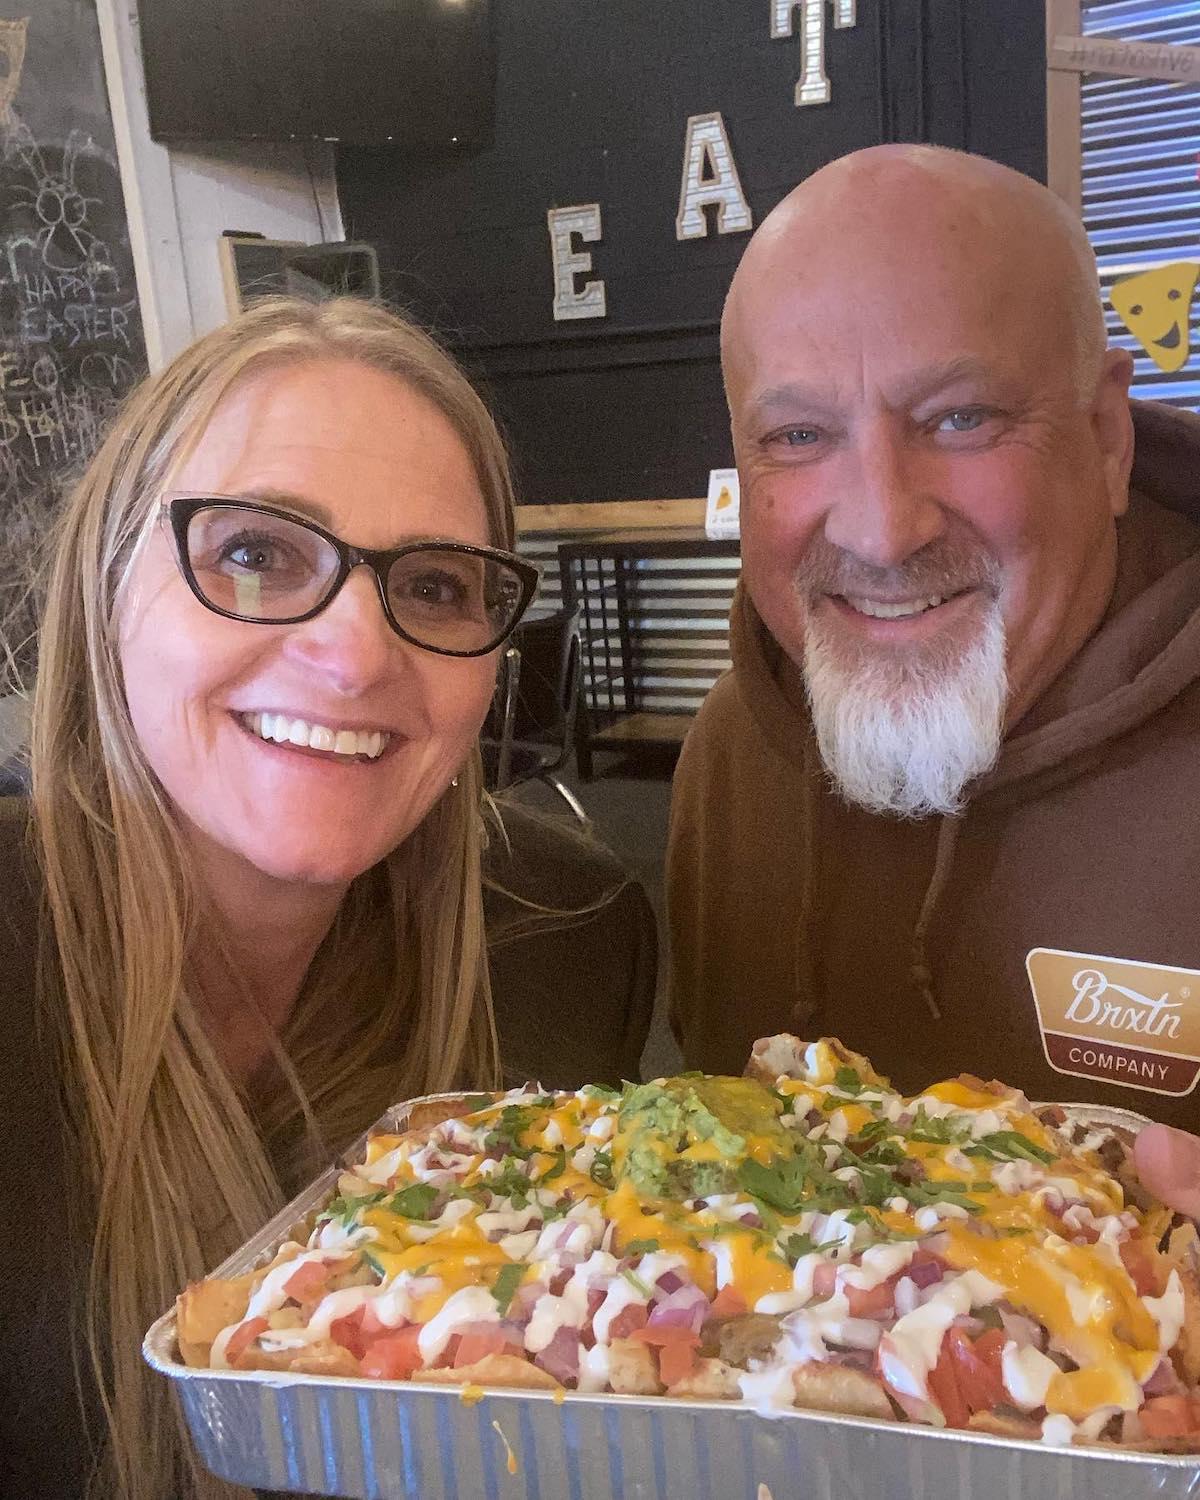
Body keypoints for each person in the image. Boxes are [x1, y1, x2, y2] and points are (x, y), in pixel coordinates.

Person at [0, 296, 654, 1500]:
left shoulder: (568, 946)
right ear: (106, 586)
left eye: (439, 585)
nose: (357, 655)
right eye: (254, 553)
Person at [667, 146, 1200, 1192]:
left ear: (1105, 436)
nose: (881, 529)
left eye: (960, 419)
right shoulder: (733, 754)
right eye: (799, 433)